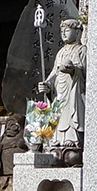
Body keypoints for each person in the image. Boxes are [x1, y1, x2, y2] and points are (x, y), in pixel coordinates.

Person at [38, 18, 86, 147]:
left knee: (72, 111)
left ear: (77, 32)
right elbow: (54, 73)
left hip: (73, 89)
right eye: (62, 31)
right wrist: (47, 84)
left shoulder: (81, 50)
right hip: (59, 90)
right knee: (58, 112)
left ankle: (72, 139)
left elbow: (85, 72)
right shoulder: (61, 52)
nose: (64, 33)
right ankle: (57, 140)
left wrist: (73, 70)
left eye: (67, 30)